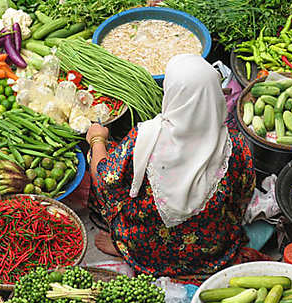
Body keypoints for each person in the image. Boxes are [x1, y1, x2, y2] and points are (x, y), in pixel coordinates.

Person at [87, 54, 269, 281]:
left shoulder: (144, 139)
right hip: (212, 249)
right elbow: (243, 196)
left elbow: (104, 179)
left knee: (109, 163)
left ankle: (126, 248)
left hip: (147, 251)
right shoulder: (235, 145)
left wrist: (97, 140)